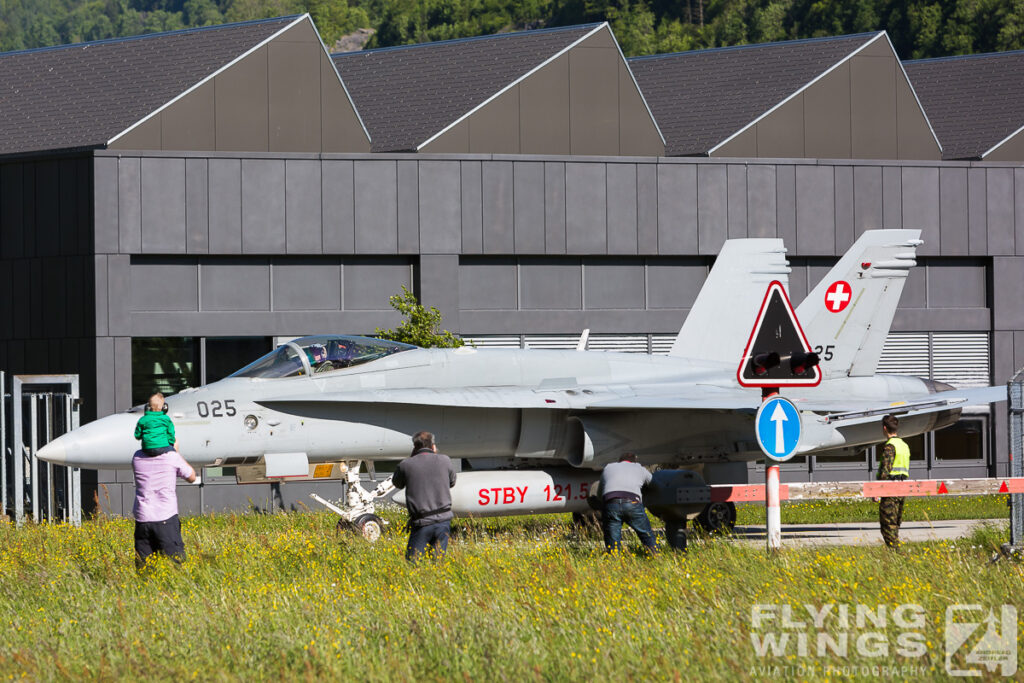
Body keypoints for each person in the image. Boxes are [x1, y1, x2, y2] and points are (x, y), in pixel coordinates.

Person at [392, 431, 457, 562]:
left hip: (422, 522)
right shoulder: (445, 460)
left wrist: (411, 458)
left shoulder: (406, 464)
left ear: (414, 447)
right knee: (438, 561)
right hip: (443, 521)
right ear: (433, 446)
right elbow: (452, 482)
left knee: (413, 563)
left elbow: (397, 483)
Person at [132, 445, 197, 570]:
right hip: (165, 518)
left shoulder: (137, 457)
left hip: (142, 520)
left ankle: (146, 588)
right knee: (176, 565)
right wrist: (175, 451)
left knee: (145, 568)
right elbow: (191, 477)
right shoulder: (172, 457)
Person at [600, 453, 658, 555]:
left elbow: (599, 492)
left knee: (612, 540)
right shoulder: (639, 468)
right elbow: (654, 484)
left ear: (620, 460)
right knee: (646, 534)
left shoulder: (608, 467)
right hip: (632, 502)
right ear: (634, 461)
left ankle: (614, 561)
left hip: (611, 502)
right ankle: (656, 555)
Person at [877, 414, 910, 549]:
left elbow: (885, 470)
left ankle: (896, 552)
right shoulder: (904, 445)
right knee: (896, 522)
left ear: (884, 428)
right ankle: (895, 552)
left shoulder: (890, 446)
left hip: (890, 489)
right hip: (902, 487)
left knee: (887, 524)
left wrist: (877, 491)